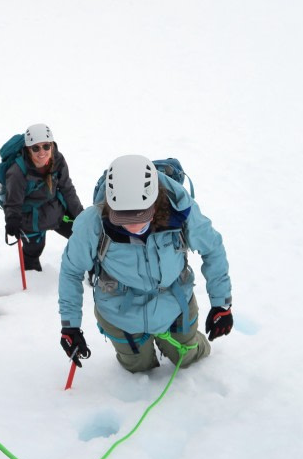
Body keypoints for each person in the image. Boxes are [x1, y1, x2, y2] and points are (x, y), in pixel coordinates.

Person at [58, 155, 232, 373]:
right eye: (122, 216)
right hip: (120, 312)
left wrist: (221, 303)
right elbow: (71, 270)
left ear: (154, 202)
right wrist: (70, 326)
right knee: (138, 367)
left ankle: (178, 343)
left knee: (188, 357)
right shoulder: (92, 223)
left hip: (175, 303)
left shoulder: (181, 210)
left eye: (141, 214)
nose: (132, 225)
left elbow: (212, 248)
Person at [2, 123, 83, 271]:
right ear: (28, 149)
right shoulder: (17, 172)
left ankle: (91, 270)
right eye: (35, 148)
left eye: (46, 146)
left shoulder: (57, 160)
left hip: (56, 210)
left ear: (52, 145)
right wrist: (12, 219)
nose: (42, 152)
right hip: (30, 219)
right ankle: (33, 279)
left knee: (82, 235)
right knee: (33, 253)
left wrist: (80, 215)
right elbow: (13, 202)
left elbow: (67, 188)